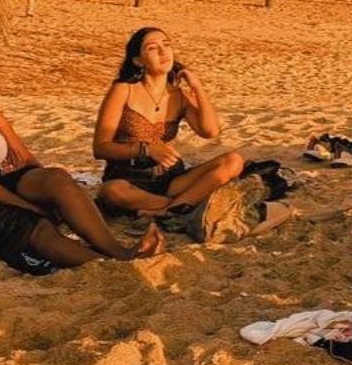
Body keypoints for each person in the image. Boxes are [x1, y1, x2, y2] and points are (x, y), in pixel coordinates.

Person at [0, 44, 163, 272]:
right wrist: (31, 207)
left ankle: (118, 250)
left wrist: (50, 192)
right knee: (32, 223)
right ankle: (107, 265)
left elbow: (26, 160)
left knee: (56, 179)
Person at [94, 27, 247, 223]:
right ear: (137, 60)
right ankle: (182, 206)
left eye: (167, 45)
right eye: (152, 48)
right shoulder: (124, 90)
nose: (163, 52)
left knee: (233, 160)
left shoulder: (180, 97)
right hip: (129, 179)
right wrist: (145, 150)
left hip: (171, 179)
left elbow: (210, 131)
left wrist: (197, 88)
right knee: (111, 192)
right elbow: (100, 147)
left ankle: (169, 209)